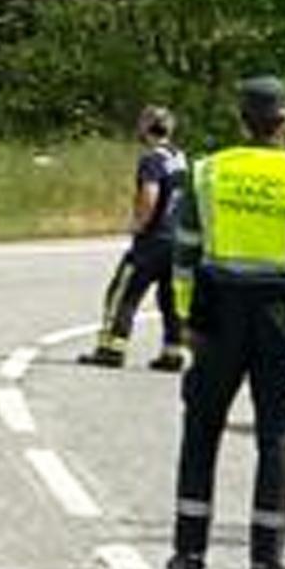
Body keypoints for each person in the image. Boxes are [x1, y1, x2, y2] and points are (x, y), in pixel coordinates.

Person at [162, 76, 285, 569]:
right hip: (280, 318)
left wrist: (185, 321)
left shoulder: (207, 174)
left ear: (241, 121)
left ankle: (188, 555)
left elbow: (182, 255)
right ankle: (265, 560)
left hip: (217, 315)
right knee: (277, 437)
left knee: (201, 433)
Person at [78, 106, 189, 371]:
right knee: (170, 299)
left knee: (123, 293)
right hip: (176, 239)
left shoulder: (151, 159)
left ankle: (111, 348)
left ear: (147, 127)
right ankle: (173, 352)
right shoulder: (181, 157)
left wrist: (139, 223)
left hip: (152, 241)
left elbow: (150, 194)